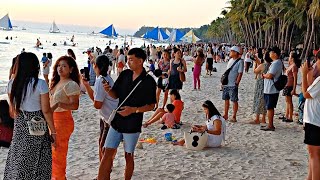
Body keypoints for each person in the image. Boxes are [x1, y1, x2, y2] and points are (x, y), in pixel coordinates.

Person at [98, 48, 156, 180]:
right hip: (117, 121)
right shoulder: (124, 75)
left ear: (140, 61)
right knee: (107, 152)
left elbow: (152, 105)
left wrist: (134, 110)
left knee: (128, 155)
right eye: (127, 59)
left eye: (131, 59)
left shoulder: (148, 81)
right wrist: (108, 90)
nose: (128, 62)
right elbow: (115, 95)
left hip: (132, 124)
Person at [4, 52, 56, 180]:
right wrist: (53, 131)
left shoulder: (12, 84)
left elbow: (12, 111)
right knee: (39, 162)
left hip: (20, 126)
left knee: (18, 158)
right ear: (35, 66)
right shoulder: (40, 84)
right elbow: (46, 111)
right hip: (37, 127)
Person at [81, 55, 118, 162]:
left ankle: (103, 173)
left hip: (109, 118)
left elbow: (98, 104)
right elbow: (98, 99)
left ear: (95, 66)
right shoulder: (107, 78)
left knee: (104, 147)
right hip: (106, 117)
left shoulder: (100, 81)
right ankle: (105, 169)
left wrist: (88, 88)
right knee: (103, 144)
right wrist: (87, 86)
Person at [49, 56, 81, 180]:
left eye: (64, 66)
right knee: (53, 154)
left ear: (71, 69)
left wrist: (59, 104)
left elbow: (75, 105)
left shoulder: (71, 84)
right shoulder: (56, 83)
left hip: (63, 121)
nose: (60, 68)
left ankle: (59, 177)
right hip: (52, 120)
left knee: (58, 153)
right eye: (58, 65)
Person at [301, 51, 320, 180]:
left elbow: (306, 94)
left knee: (314, 154)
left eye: (316, 62)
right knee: (313, 154)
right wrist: (308, 74)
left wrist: (303, 75)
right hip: (314, 119)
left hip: (315, 120)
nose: (314, 65)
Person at [261, 47, 283, 131]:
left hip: (271, 89)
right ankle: (270, 124)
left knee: (270, 107)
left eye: (271, 53)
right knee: (269, 107)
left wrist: (264, 75)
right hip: (271, 88)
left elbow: (270, 75)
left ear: (275, 54)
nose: (269, 54)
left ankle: (270, 125)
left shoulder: (276, 63)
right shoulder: (277, 62)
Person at [222, 46, 244, 122]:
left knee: (234, 100)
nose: (230, 52)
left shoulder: (240, 61)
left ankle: (234, 116)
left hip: (233, 84)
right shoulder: (230, 60)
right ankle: (226, 114)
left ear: (235, 52)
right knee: (226, 100)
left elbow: (240, 73)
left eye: (231, 51)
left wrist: (237, 83)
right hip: (226, 83)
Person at [251, 49, 272, 125]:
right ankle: (263, 118)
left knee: (258, 99)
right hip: (268, 85)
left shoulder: (262, 65)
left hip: (260, 84)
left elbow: (255, 71)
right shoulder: (271, 65)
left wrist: (255, 63)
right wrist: (257, 61)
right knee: (264, 101)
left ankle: (257, 118)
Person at [280, 52, 300, 122]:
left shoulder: (294, 66)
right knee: (287, 101)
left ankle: (290, 117)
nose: (289, 57)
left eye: (290, 56)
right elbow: (286, 72)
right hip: (286, 84)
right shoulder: (291, 65)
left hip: (290, 85)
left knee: (289, 101)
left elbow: (295, 78)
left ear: (292, 58)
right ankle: (287, 115)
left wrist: (294, 89)